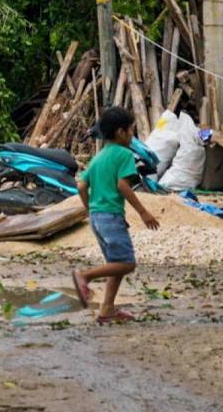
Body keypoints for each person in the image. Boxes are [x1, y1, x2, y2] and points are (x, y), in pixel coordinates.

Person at [72, 106, 160, 324]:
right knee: (127, 264)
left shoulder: (98, 157)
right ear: (121, 132)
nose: (133, 135)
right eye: (131, 131)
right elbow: (123, 185)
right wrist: (143, 212)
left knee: (115, 262)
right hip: (110, 216)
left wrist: (89, 207)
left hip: (97, 218)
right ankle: (85, 276)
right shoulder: (124, 155)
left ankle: (107, 310)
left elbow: (81, 186)